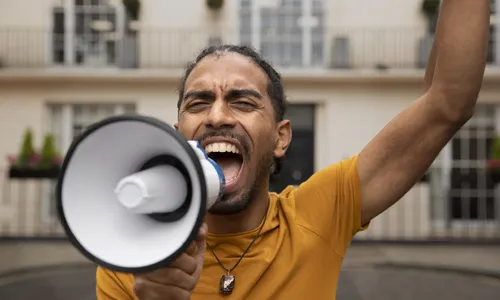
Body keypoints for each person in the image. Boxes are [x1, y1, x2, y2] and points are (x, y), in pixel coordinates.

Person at [96, 1, 490, 299]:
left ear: (281, 137)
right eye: (197, 103)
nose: (217, 115)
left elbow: (446, 104)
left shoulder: (318, 214)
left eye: (243, 102)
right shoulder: (130, 254)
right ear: (177, 134)